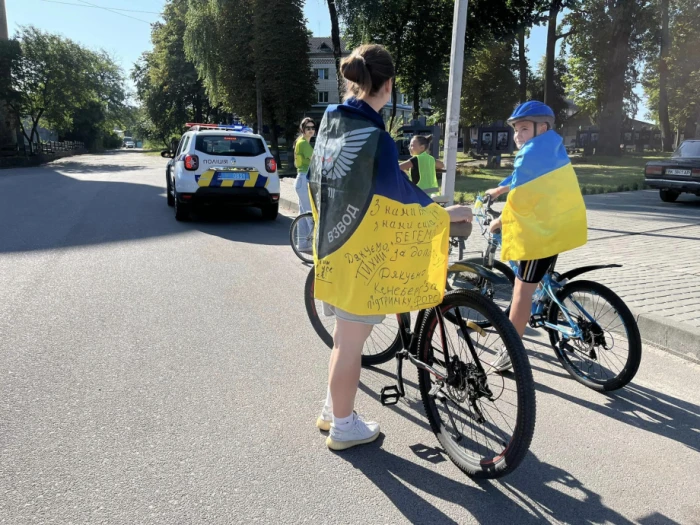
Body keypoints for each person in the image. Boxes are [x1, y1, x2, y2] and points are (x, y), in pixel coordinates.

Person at [307, 44, 472, 451]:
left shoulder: (332, 118)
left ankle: (333, 411)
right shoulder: (376, 138)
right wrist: (445, 214)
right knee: (351, 343)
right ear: (389, 85)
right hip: (362, 255)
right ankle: (344, 426)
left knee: (345, 338)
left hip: (333, 246)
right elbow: (397, 199)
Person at [483, 101, 588, 372]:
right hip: (559, 227)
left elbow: (520, 197)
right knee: (536, 282)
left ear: (543, 127)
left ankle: (510, 351)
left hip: (539, 236)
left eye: (524, 129)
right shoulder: (550, 147)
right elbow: (523, 179)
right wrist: (499, 189)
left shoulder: (530, 153)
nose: (518, 134)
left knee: (521, 292)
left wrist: (499, 221)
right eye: (516, 129)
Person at [294, 118, 316, 250]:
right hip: (304, 180)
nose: (311, 130)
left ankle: (302, 244)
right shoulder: (303, 143)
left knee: (302, 215)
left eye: (313, 128)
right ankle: (315, 245)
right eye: (308, 128)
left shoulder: (302, 142)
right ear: (302, 129)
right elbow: (317, 159)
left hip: (301, 180)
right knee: (310, 214)